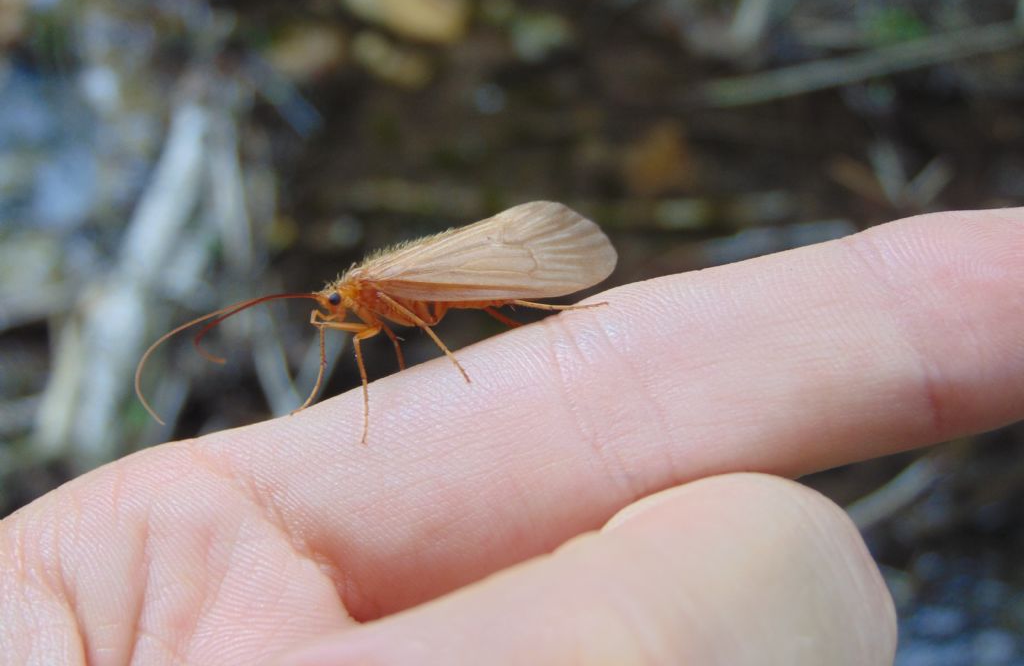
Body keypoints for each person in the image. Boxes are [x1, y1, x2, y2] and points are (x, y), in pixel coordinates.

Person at [3, 208, 1022, 665]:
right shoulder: (359, 305)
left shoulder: (380, 293)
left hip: (477, 266)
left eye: (333, 304)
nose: (330, 311)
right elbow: (361, 323)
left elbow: (423, 304)